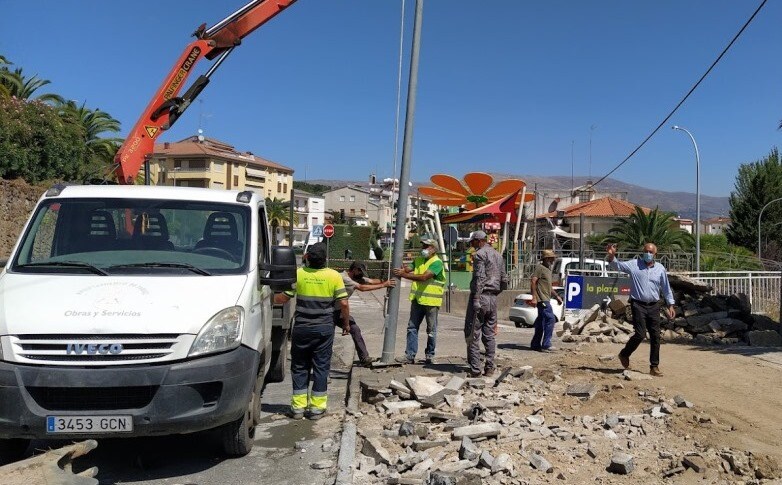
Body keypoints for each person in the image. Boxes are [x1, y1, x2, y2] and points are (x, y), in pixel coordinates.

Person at [274, 242, 349, 420]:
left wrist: (270, 293)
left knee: (300, 366)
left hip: (302, 328)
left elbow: (281, 298)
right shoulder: (334, 276)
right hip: (324, 329)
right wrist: (345, 324)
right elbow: (344, 303)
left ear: (307, 257)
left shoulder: (298, 274)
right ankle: (317, 409)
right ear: (325, 259)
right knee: (321, 367)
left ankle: (298, 409)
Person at [606, 242, 675, 377]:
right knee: (640, 334)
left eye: (650, 252)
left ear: (656, 254)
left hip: (654, 305)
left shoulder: (660, 269)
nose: (648, 254)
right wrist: (612, 256)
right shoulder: (634, 265)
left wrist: (670, 304)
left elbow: (666, 288)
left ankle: (654, 366)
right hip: (638, 304)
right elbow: (618, 265)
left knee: (655, 336)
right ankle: (624, 354)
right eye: (646, 251)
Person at [393, 238, 445, 364]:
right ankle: (410, 355)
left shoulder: (437, 262)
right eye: (423, 246)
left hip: (431, 302)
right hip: (417, 300)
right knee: (412, 327)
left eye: (426, 246)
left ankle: (430, 355)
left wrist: (403, 275)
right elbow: (409, 268)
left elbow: (424, 277)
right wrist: (402, 270)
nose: (423, 248)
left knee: (431, 330)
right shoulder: (419, 260)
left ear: (433, 249)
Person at [464, 230, 509, 377]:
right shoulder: (498, 255)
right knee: (489, 335)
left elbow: (479, 278)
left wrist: (477, 298)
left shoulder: (479, 255)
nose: (472, 245)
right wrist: (494, 294)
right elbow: (504, 280)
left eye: (473, 242)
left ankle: (475, 369)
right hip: (493, 298)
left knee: (473, 333)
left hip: (481, 296)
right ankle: (490, 368)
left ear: (479, 240)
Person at [338, 261, 396, 366]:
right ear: (354, 269)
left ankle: (364, 358)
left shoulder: (356, 278)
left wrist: (387, 280)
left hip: (340, 310)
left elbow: (371, 281)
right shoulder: (344, 278)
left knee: (355, 329)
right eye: (360, 271)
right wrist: (383, 285)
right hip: (329, 310)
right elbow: (362, 288)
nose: (362, 275)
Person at [530, 249, 563, 352]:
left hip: (546, 298)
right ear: (547, 258)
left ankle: (535, 344)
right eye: (552, 258)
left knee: (541, 321)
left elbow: (549, 287)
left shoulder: (548, 270)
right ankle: (546, 344)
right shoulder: (540, 268)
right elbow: (533, 281)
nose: (554, 260)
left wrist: (556, 296)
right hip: (542, 299)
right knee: (550, 319)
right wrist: (534, 297)